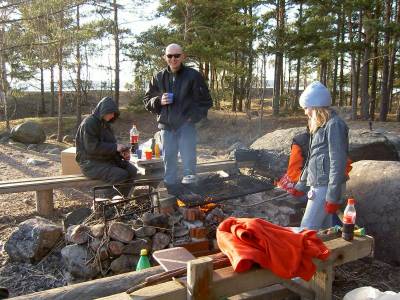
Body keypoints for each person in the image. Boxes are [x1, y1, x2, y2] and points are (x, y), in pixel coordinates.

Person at [143, 43, 212, 194]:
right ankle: (172, 194)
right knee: (169, 163)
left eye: (176, 56)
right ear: (165, 57)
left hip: (186, 127)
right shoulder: (158, 77)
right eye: (169, 56)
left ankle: (192, 195)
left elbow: (206, 102)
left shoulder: (193, 76)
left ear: (183, 56)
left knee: (188, 161)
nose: (173, 59)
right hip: (166, 128)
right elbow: (147, 101)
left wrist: (191, 118)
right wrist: (158, 100)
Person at [295, 81, 350, 230]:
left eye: (306, 108)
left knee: (307, 228)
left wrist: (333, 196)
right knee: (326, 230)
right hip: (319, 184)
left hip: (326, 186)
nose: (305, 112)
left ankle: (307, 254)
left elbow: (337, 162)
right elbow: (313, 157)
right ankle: (324, 254)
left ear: (315, 106)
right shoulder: (320, 126)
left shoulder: (334, 125)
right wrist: (301, 184)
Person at [75, 96, 137, 197]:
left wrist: (121, 153)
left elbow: (110, 145)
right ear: (103, 111)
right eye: (111, 113)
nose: (113, 116)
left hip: (104, 160)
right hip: (90, 163)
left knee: (132, 170)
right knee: (120, 175)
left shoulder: (105, 124)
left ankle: (122, 200)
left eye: (114, 114)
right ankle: (108, 203)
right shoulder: (89, 123)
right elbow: (92, 148)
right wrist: (115, 147)